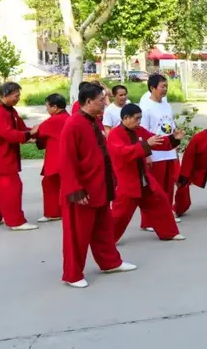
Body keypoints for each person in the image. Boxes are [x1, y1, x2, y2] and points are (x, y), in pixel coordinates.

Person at [59, 83, 137, 288]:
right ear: (87, 102)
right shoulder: (74, 124)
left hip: (100, 186)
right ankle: (73, 275)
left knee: (103, 229)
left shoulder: (95, 121)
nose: (105, 102)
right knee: (78, 235)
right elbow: (67, 160)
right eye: (101, 99)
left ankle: (110, 262)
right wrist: (75, 190)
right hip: (82, 192)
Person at [108, 104, 185, 243]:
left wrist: (173, 138)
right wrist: (146, 145)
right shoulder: (114, 134)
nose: (139, 122)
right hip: (127, 180)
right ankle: (107, 240)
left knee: (160, 201)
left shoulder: (139, 130)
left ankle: (169, 232)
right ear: (126, 118)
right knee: (120, 214)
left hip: (144, 177)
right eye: (137, 119)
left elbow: (156, 140)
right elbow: (123, 152)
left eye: (140, 118)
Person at [140, 74, 185, 228]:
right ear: (152, 88)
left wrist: (175, 140)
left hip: (169, 151)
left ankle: (165, 216)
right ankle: (148, 221)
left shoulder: (166, 104)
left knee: (167, 188)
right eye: (162, 86)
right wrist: (147, 155)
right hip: (155, 154)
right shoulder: (145, 108)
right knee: (154, 190)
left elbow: (169, 124)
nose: (165, 89)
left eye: (166, 86)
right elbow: (142, 133)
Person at [0, 82, 39, 230]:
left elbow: (22, 129)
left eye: (19, 95)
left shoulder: (11, 111)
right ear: (4, 95)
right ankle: (16, 222)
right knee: (11, 188)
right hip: (1, 157)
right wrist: (29, 134)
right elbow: (9, 134)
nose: (18, 98)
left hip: (5, 156)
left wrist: (37, 132)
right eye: (16, 96)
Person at [35, 94, 70, 223]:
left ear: (55, 107)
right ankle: (63, 210)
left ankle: (53, 213)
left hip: (56, 158)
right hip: (67, 157)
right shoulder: (68, 118)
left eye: (47, 107)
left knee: (49, 183)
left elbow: (37, 132)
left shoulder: (54, 120)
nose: (47, 110)